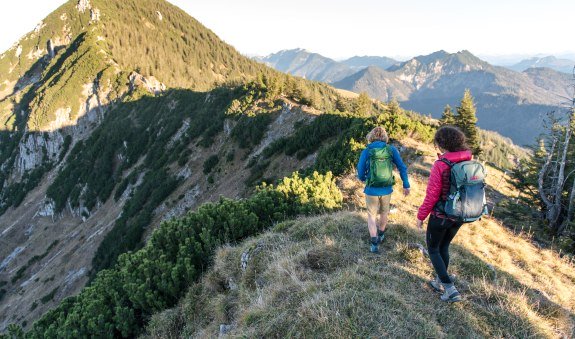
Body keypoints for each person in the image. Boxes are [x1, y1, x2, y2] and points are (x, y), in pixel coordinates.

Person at [416, 125, 471, 303]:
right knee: (444, 246)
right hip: (461, 214)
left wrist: (421, 216)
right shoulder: (468, 160)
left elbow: (432, 195)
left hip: (442, 214)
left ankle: (449, 289)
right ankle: (440, 281)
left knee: (433, 248)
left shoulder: (441, 165)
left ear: (442, 144)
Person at [357, 126, 410, 254]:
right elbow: (402, 167)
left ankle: (374, 244)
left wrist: (363, 178)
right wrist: (406, 184)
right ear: (385, 137)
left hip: (371, 189)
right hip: (386, 188)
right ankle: (381, 234)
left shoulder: (367, 150)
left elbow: (360, 169)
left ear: (371, 137)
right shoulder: (391, 149)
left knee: (371, 216)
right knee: (384, 213)